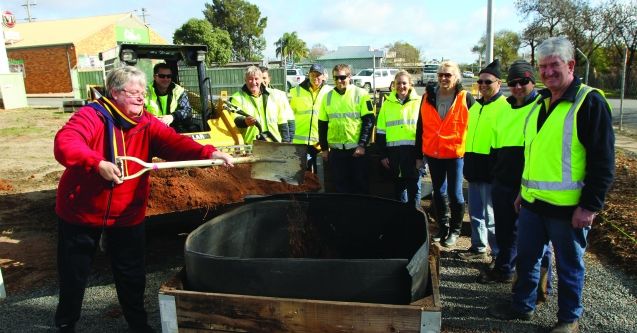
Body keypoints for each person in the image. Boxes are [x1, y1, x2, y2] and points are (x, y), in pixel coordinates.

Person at [53, 66, 233, 333]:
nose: (141, 98)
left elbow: (174, 143)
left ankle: (137, 324)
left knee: (132, 274)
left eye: (143, 93)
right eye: (133, 93)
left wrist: (209, 152)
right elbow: (66, 142)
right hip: (81, 212)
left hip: (127, 213)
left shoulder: (146, 122)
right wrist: (96, 162)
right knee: (74, 273)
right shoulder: (92, 116)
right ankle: (66, 323)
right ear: (114, 93)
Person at [489, 37, 615, 333]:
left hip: (569, 209)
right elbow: (535, 154)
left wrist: (590, 206)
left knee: (570, 267)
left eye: (553, 65)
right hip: (533, 203)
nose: (547, 72)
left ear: (570, 65)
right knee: (527, 260)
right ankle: (522, 306)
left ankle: (569, 319)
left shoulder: (589, 102)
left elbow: (603, 162)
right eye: (543, 67)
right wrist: (523, 190)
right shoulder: (541, 103)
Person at [479, 60, 554, 291]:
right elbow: (494, 146)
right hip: (503, 182)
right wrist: (495, 174)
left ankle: (541, 285)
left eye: (523, 81)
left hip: (529, 185)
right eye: (513, 83)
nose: (518, 87)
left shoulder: (541, 107)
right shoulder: (504, 110)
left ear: (533, 81)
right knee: (504, 231)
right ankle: (504, 269)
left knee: (535, 240)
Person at [415, 61, 475, 246]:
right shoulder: (428, 96)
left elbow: (475, 127)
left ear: (456, 77)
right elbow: (420, 127)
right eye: (441, 74)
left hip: (455, 154)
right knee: (438, 193)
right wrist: (419, 155)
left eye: (448, 75)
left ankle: (455, 230)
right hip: (434, 153)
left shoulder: (465, 97)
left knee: (455, 194)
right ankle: (443, 227)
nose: (443, 78)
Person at [460, 59, 508, 261]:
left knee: (492, 217)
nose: (483, 86)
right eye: (480, 82)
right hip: (473, 169)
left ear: (499, 82)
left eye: (488, 82)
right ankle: (479, 247)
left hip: (491, 172)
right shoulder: (475, 107)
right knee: (476, 213)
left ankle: (498, 254)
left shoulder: (505, 108)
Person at [318, 64, 375, 194]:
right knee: (340, 186)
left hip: (357, 151)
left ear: (349, 77)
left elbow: (369, 121)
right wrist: (325, 149)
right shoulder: (327, 97)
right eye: (336, 78)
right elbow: (322, 125)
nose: (339, 81)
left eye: (342, 77)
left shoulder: (361, 94)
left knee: (360, 185)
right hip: (337, 152)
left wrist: (362, 145)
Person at [376, 70, 421, 208]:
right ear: (393, 85)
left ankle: (415, 221)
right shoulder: (387, 105)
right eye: (398, 83)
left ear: (410, 84)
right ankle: (403, 222)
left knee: (414, 189)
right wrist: (383, 155)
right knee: (399, 190)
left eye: (404, 83)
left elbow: (424, 131)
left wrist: (421, 155)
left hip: (414, 153)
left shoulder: (419, 102)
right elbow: (380, 132)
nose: (401, 86)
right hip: (394, 154)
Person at [289, 63, 333, 172]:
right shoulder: (295, 91)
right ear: (308, 75)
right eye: (313, 75)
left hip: (319, 142)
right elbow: (287, 115)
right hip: (300, 142)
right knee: (301, 174)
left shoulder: (330, 92)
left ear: (323, 76)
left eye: (318, 75)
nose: (315, 78)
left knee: (320, 173)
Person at [230, 65, 290, 143]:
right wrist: (245, 122)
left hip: (275, 145)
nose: (254, 82)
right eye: (250, 79)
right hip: (251, 146)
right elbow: (234, 120)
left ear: (261, 79)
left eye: (256, 79)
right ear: (245, 80)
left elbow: (282, 122)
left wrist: (286, 143)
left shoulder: (274, 95)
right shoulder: (237, 97)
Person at [145, 63, 197, 133]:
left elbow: (187, 110)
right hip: (152, 128)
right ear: (155, 77)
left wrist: (172, 117)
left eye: (168, 76)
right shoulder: (145, 92)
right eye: (162, 76)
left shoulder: (179, 91)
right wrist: (153, 119)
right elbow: (138, 112)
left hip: (174, 128)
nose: (166, 79)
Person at [259, 66, 295, 142]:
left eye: (264, 78)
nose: (262, 81)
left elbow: (290, 120)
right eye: (260, 78)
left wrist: (289, 141)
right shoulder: (252, 97)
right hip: (258, 141)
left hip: (276, 142)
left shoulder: (280, 95)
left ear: (269, 79)